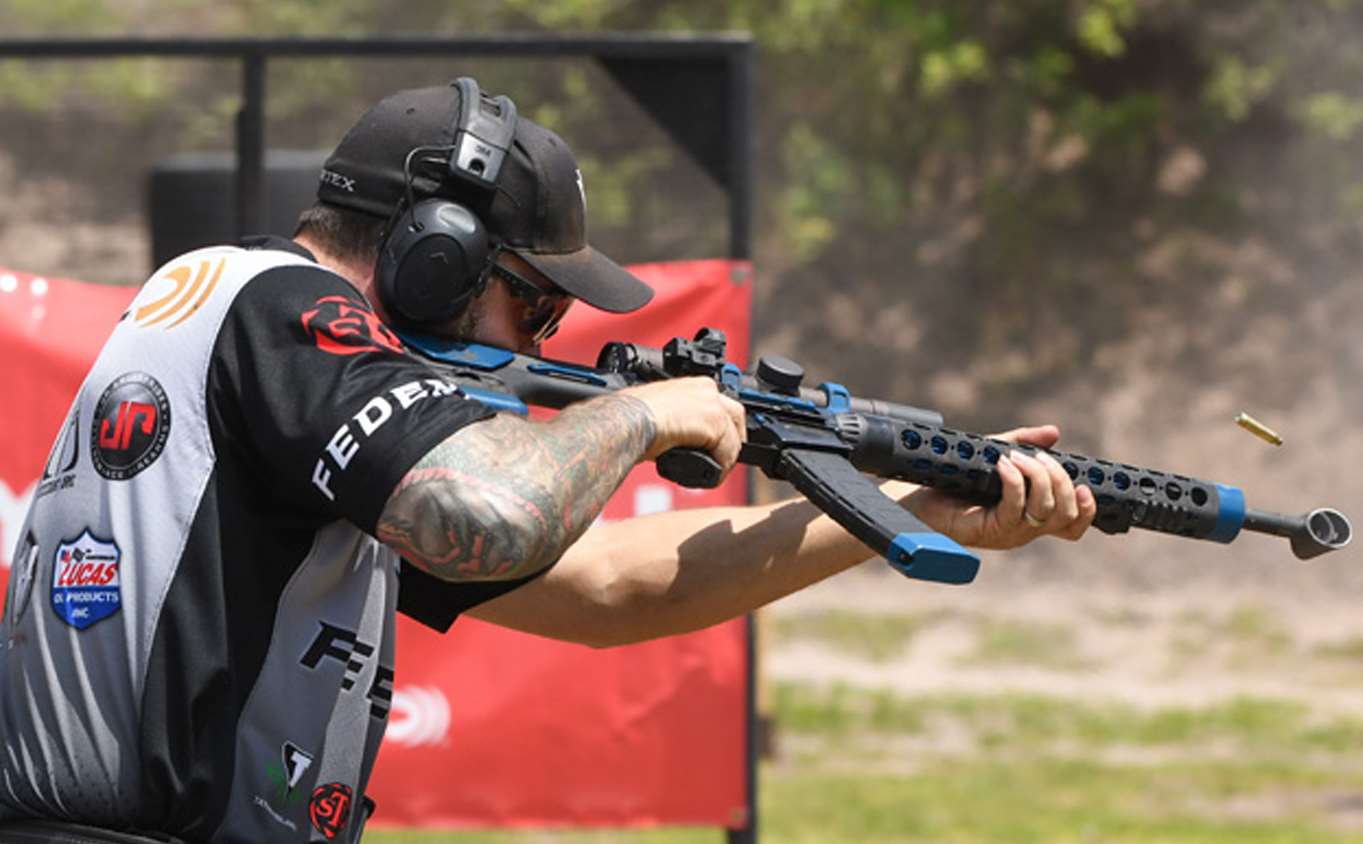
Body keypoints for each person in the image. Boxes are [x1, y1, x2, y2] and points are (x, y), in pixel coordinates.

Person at [0, 78, 1095, 844]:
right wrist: (642, 416)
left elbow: (611, 587)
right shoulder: (283, 305)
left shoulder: (262, 354)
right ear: (436, 255)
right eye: (535, 297)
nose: (541, 338)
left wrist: (908, 508)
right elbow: (493, 505)